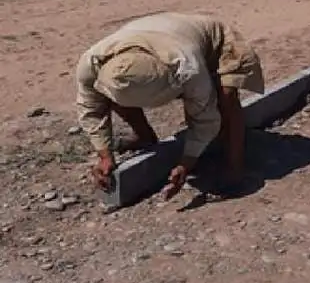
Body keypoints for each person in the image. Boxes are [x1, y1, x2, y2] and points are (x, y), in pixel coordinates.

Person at [76, 12, 265, 199]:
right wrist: (105, 155)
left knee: (226, 98)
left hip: (214, 41)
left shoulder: (186, 67)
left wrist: (186, 163)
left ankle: (235, 167)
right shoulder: (93, 63)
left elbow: (204, 119)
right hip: (159, 33)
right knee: (112, 90)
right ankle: (144, 137)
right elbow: (91, 110)